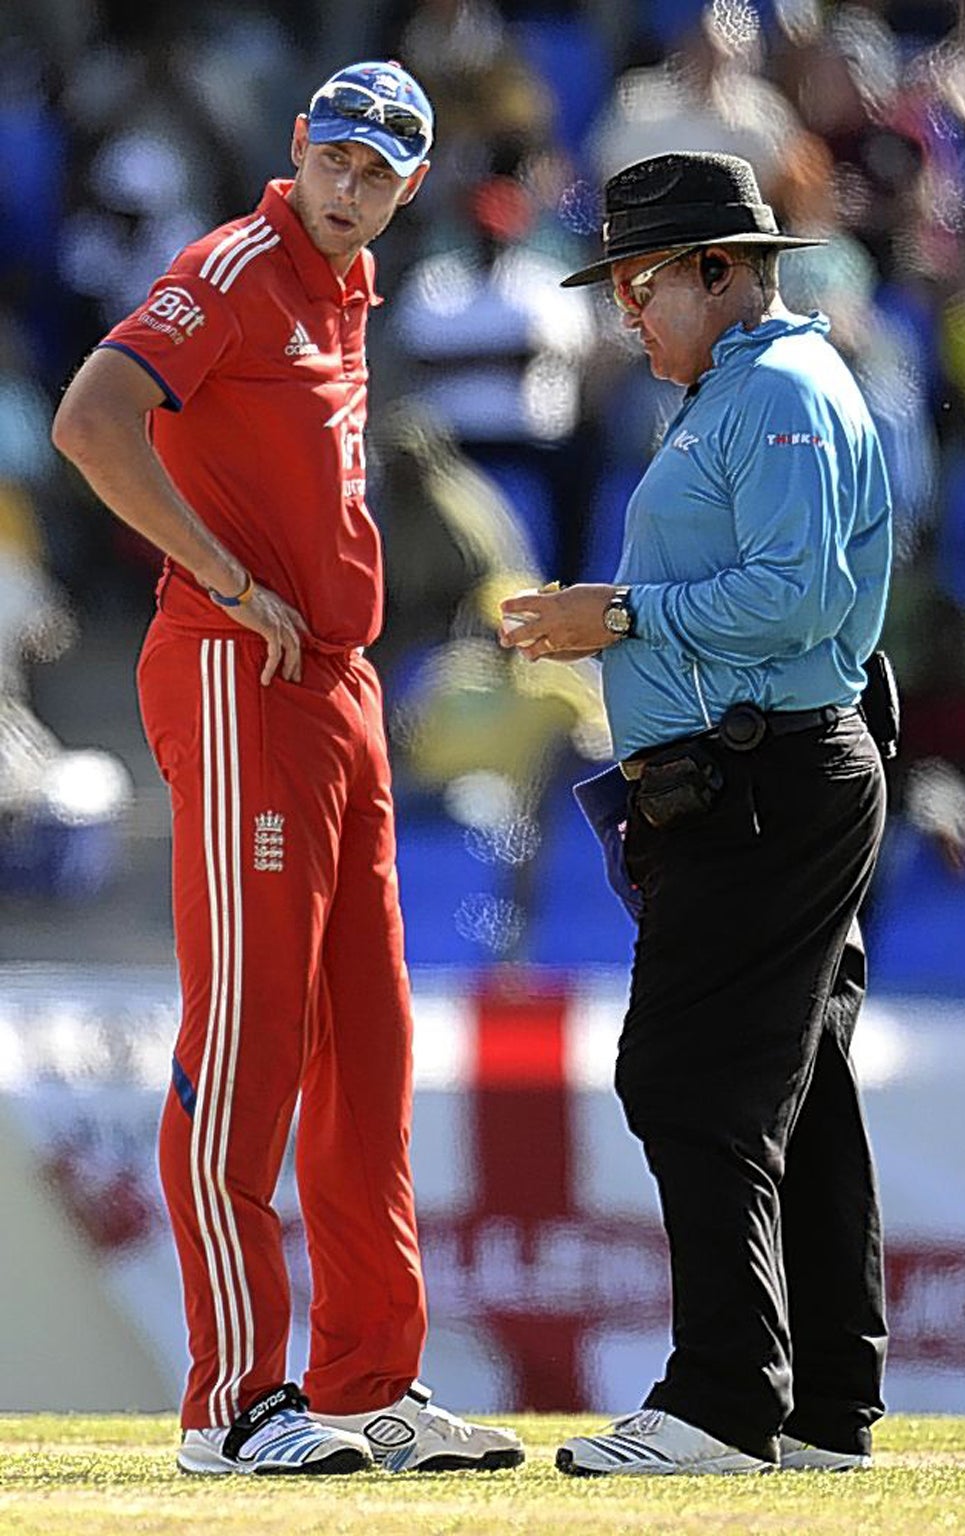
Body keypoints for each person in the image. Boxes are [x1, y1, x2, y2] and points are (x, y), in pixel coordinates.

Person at [52, 59, 523, 1478]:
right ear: (299, 148)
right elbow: (91, 420)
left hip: (337, 684)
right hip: (236, 666)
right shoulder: (242, 259)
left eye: (379, 171)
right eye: (334, 156)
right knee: (247, 1038)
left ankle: (373, 1381)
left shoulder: (349, 281)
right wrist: (218, 574)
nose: (349, 186)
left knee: (367, 1055)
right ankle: (233, 1404)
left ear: (411, 184)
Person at [500, 152, 892, 1477]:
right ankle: (825, 1409)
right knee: (801, 1082)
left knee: (690, 1074)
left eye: (642, 279)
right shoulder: (751, 384)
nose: (625, 308)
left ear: (721, 270)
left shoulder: (774, 390)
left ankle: (727, 1398)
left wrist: (614, 613)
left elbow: (789, 597)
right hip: (771, 769)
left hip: (762, 778)